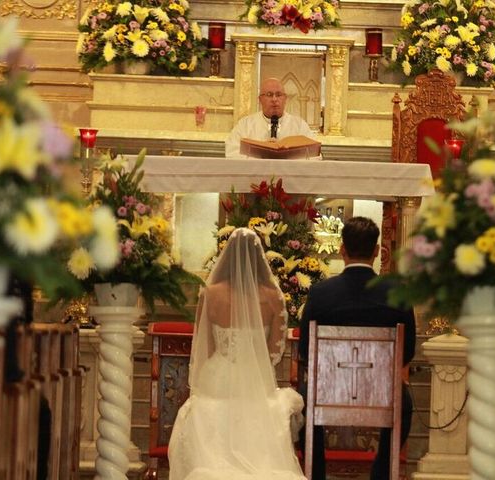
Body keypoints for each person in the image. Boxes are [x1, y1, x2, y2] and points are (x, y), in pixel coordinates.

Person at [168, 228, 306, 480]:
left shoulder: (210, 293)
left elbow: (205, 346)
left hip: (217, 375)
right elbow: (276, 351)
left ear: (227, 255)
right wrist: (255, 364)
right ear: (259, 257)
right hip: (256, 377)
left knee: (206, 412)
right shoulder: (273, 296)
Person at [298, 216, 417, 480]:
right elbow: (408, 350)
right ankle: (381, 474)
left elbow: (306, 350)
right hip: (383, 390)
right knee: (404, 402)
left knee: (304, 399)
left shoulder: (321, 293)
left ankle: (316, 474)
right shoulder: (397, 292)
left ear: (342, 250)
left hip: (326, 390)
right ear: (376, 251)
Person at [225, 77, 316, 158]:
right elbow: (232, 152)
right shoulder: (245, 125)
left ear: (285, 99)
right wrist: (262, 155)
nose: (274, 99)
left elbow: (314, 155)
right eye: (269, 95)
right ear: (260, 99)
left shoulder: (299, 125)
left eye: (278, 94)